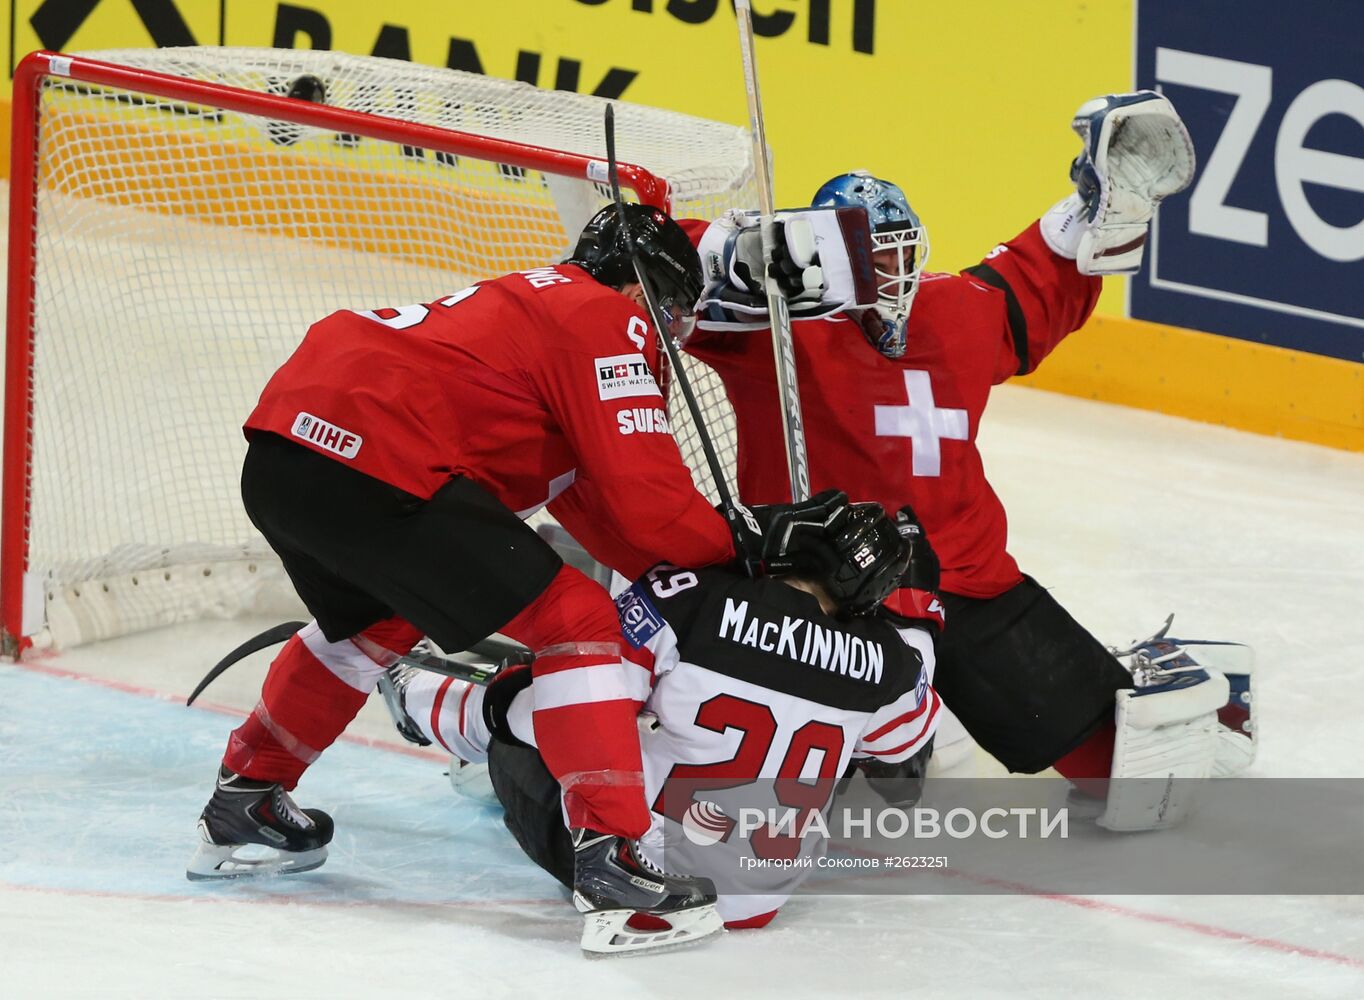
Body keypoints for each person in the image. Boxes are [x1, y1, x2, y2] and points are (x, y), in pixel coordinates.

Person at [185, 202, 854, 912]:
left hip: (285, 457)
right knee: (580, 620)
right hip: (383, 463)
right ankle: (614, 857)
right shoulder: (606, 317)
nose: (670, 335)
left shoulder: (534, 313)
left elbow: (601, 513)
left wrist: (712, 554)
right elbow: (649, 504)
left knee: (374, 624)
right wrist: (746, 543)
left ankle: (247, 796)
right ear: (641, 293)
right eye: (674, 314)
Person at [681, 92, 1250, 832]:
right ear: (819, 256)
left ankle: (1140, 675)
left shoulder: (959, 310)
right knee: (827, 798)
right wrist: (731, 254)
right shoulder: (775, 331)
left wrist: (1101, 204)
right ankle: (887, 742)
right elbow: (666, 279)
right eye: (868, 255)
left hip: (969, 582)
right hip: (817, 593)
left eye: (901, 251)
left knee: (1131, 788)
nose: (891, 273)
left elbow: (1043, 272)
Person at [381, 501, 942, 954]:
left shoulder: (696, 597)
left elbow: (575, 704)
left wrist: (503, 699)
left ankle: (418, 699)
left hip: (643, 876)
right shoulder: (894, 664)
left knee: (549, 699)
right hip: (758, 899)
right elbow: (902, 754)